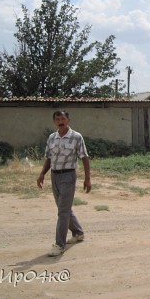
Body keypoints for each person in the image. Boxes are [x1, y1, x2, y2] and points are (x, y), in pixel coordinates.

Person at [37, 110, 91, 257]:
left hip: (68, 176)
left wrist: (87, 178)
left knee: (63, 212)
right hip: (55, 176)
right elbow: (48, 158)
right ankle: (78, 233)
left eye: (63, 118)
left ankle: (59, 245)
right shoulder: (52, 138)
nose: (60, 121)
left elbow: (84, 157)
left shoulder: (76, 137)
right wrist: (42, 173)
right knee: (64, 209)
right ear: (54, 121)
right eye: (57, 119)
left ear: (68, 120)